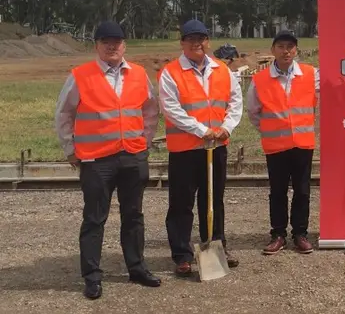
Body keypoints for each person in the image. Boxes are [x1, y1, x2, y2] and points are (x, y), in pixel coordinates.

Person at [54, 21, 161, 300]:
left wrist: (144, 140)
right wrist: (70, 149)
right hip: (96, 161)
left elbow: (151, 109)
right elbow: (64, 114)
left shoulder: (138, 74)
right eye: (106, 42)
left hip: (132, 156)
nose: (112, 46)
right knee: (94, 219)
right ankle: (92, 276)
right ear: (97, 46)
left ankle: (136, 267)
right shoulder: (80, 76)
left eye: (117, 41)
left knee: (134, 216)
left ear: (125, 45)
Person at [158, 19, 243, 276]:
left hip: (216, 147)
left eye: (202, 38)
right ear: (182, 42)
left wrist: (226, 127)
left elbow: (235, 102)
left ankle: (216, 245)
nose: (197, 43)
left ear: (208, 41)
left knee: (213, 200)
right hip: (185, 149)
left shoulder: (222, 70)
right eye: (191, 39)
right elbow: (171, 109)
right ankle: (182, 255)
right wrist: (201, 131)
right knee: (182, 203)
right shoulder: (170, 73)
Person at [247, 30, 320, 255]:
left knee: (302, 190)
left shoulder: (311, 74)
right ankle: (278, 234)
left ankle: (300, 233)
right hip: (276, 147)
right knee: (277, 191)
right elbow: (253, 112)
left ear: (296, 50)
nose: (286, 50)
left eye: (290, 46)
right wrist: (271, 130)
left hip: (302, 144)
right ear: (273, 50)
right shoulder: (260, 79)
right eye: (281, 46)